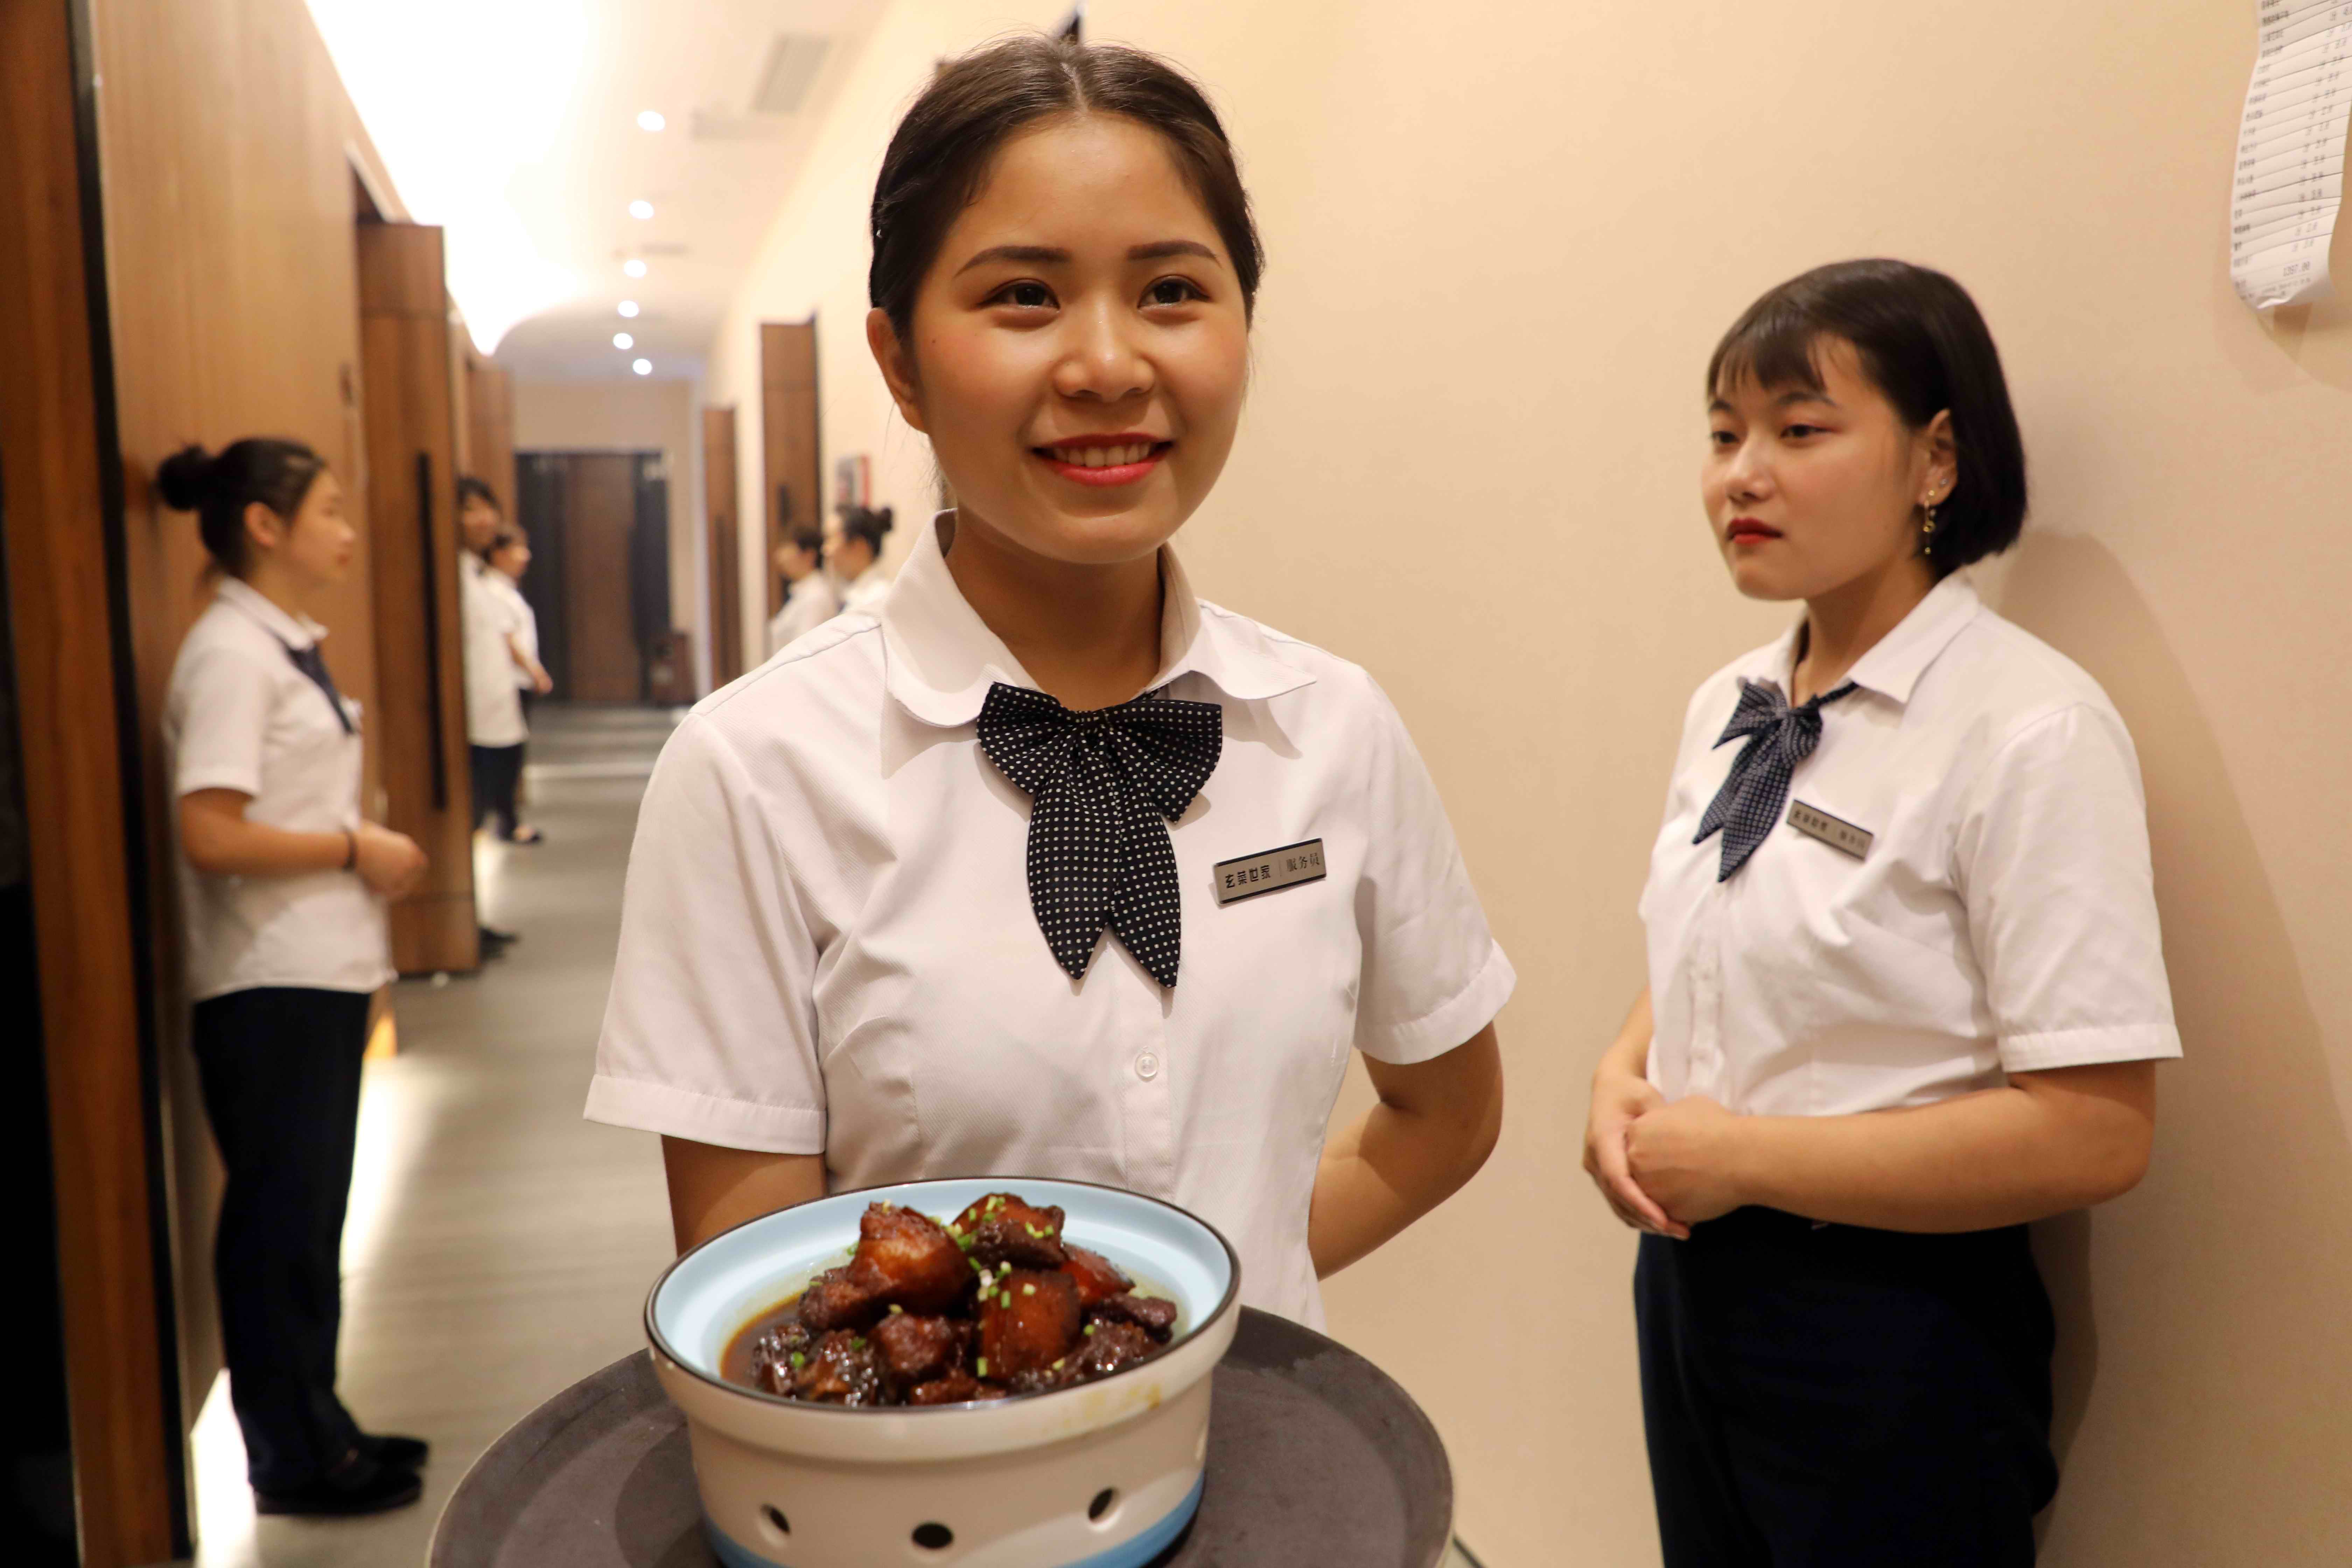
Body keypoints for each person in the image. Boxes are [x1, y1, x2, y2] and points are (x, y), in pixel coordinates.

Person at [588, 34, 1511, 1331]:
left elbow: (1444, 1116)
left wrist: (1178, 1320)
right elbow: (764, 1295)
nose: (1107, 366)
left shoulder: (1330, 727)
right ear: (900, 363)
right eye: (1023, 296)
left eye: (1171, 291)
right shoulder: (755, 766)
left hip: (1277, 1441)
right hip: (914, 1465)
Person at [1582, 260, 2179, 1566]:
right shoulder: (1732, 701)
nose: (1740, 476)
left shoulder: (2027, 726)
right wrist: (1621, 1071)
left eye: (1797, 430)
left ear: (1934, 460)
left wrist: (1742, 1157)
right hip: (1686, 1280)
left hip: (1892, 1323)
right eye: (1722, 434)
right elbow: (1720, 925)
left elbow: (2095, 1130)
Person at [159, 439, 432, 1517]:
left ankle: (323, 1424)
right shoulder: (231, 654)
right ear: (264, 527)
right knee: (279, 1228)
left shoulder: (276, 644)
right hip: (265, 981)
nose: (347, 531)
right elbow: (209, 831)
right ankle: (289, 1457)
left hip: (313, 970)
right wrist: (353, 845)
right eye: (328, 511)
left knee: (310, 1221)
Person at [457, 476, 525, 942]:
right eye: (470, 509)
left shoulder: (477, 575)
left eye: (488, 508)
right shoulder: (456, 576)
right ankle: (466, 924)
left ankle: (471, 921)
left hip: (494, 713)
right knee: (472, 817)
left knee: (480, 816)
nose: (483, 519)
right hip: (473, 721)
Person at [485, 526, 552, 844]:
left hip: (516, 681)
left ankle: (507, 820)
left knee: (513, 754)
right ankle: (506, 822)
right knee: (506, 756)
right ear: (498, 554)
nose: (525, 556)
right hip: (508, 681)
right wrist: (536, 672)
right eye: (517, 548)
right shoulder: (493, 590)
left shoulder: (505, 589)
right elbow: (509, 640)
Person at [764, 523, 840, 658]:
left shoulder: (816, 596)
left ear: (809, 555)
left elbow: (804, 652)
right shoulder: (802, 592)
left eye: (786, 548)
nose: (780, 556)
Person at [822, 503, 895, 615]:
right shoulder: (854, 595)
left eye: (830, 539)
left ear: (858, 545)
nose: (825, 550)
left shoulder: (878, 600)